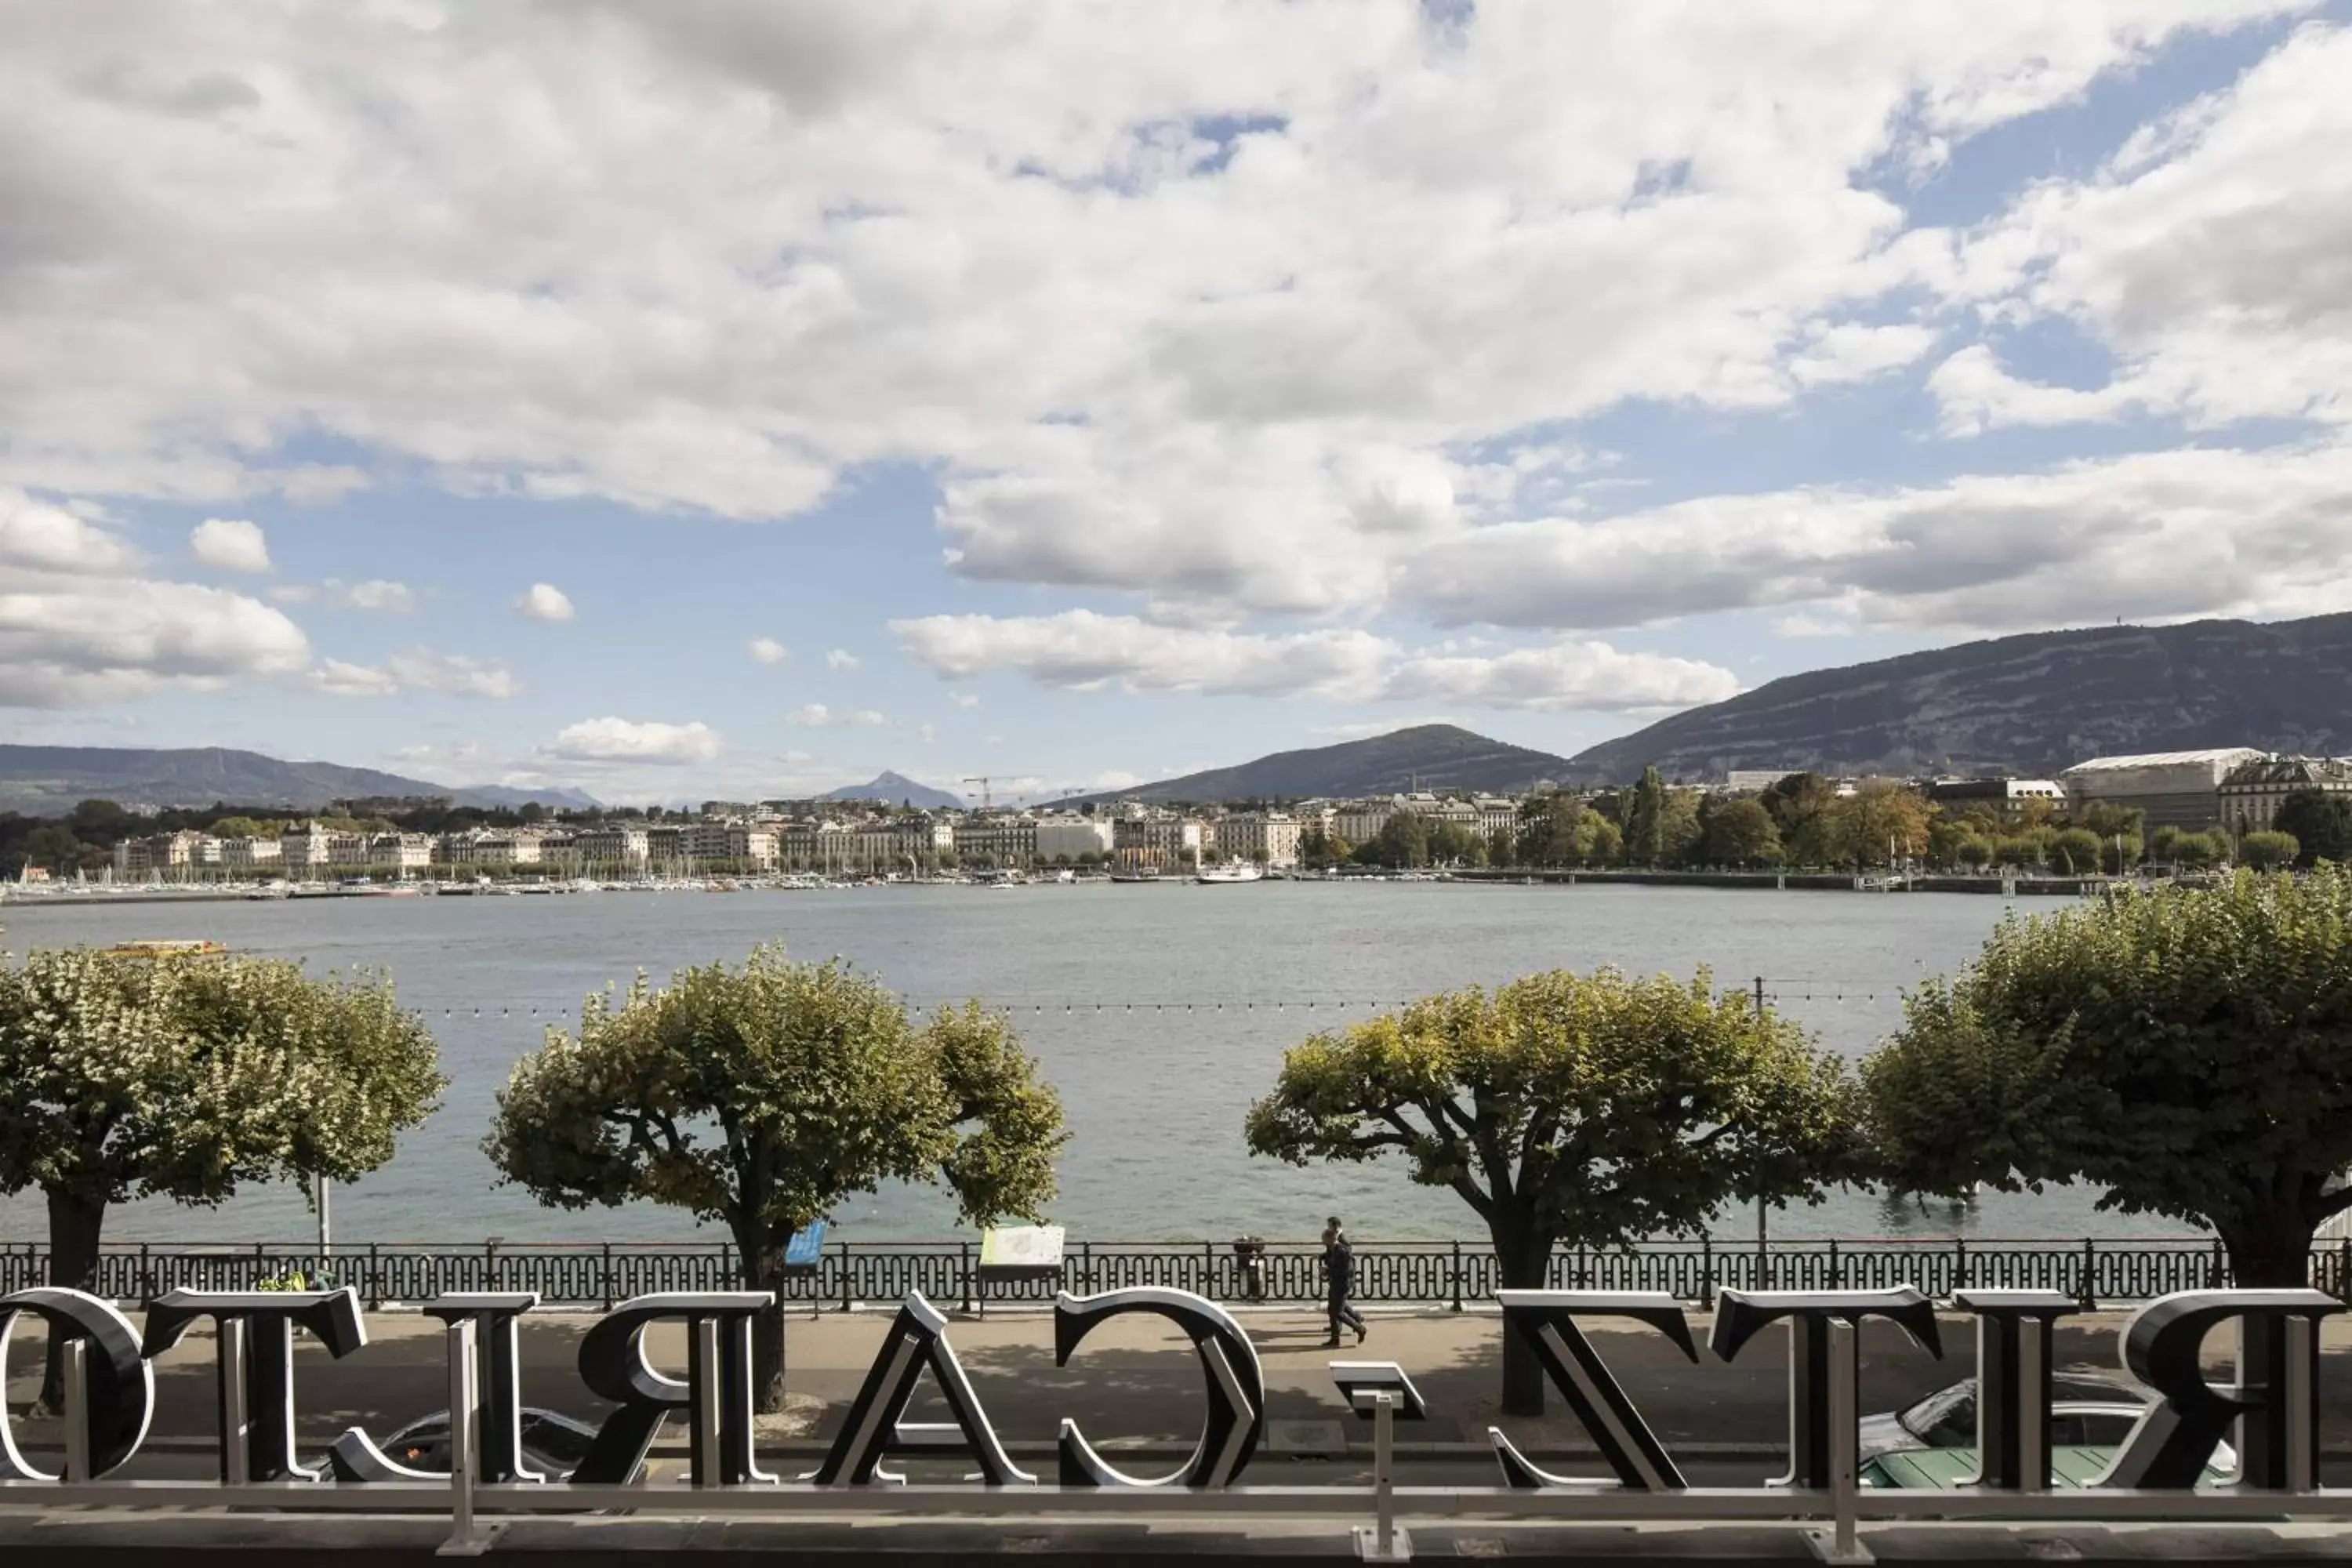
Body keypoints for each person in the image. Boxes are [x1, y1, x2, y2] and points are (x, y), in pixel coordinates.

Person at [1321, 1216, 1366, 1347]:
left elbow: (1345, 1270)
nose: (1322, 1242)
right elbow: (1330, 1259)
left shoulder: (1342, 1250)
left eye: (1324, 1239)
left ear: (1330, 1239)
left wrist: (1327, 1271)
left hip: (1342, 1284)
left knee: (1338, 1312)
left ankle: (1359, 1328)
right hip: (1335, 1282)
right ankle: (1335, 1338)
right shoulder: (1332, 1248)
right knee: (1332, 1309)